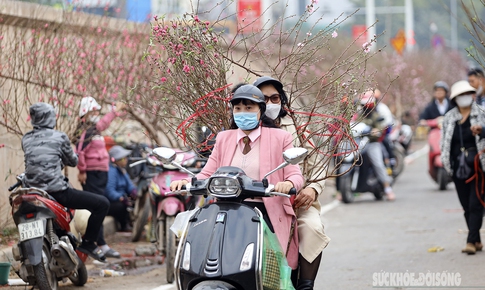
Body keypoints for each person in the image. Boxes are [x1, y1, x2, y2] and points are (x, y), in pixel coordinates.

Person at [170, 84, 304, 272]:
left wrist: (287, 183)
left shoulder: (281, 137)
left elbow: (295, 174)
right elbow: (207, 173)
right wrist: (187, 182)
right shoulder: (224, 138)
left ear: (260, 110)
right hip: (225, 210)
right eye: (238, 108)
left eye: (249, 108)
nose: (243, 113)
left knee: (267, 270)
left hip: (264, 211)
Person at [254, 76, 330, 290]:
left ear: (282, 100)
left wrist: (312, 189)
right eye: (263, 98)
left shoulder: (296, 126)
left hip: (297, 203)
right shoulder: (248, 127)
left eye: (275, 98)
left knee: (312, 228)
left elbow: (318, 162)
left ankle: (305, 286)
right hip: (259, 202)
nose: (269, 103)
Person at [22, 103, 110, 261]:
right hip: (58, 193)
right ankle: (89, 243)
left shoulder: (26, 139)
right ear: (51, 118)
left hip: (32, 193)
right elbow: (73, 160)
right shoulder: (59, 137)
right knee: (102, 204)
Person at [72, 96, 125, 259]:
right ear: (86, 113)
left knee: (100, 206)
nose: (96, 114)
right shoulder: (84, 130)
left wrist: (114, 112)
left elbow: (103, 123)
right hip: (92, 174)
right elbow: (79, 152)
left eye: (97, 111)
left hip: (101, 173)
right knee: (98, 208)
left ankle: (100, 244)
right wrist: (82, 171)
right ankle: (100, 244)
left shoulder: (95, 129)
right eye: (94, 111)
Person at [440, 80, 485, 255]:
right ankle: (477, 239)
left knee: (475, 204)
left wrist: (481, 130)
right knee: (466, 205)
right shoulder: (450, 117)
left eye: (468, 94)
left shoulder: (481, 113)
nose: (465, 98)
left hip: (479, 165)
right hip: (458, 166)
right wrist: (447, 164)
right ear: (455, 98)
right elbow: (445, 143)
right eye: (461, 95)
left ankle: (470, 242)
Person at [358, 93, 396, 200]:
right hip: (358, 143)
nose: (365, 107)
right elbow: (354, 125)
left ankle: (387, 188)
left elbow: (381, 127)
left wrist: (376, 131)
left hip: (372, 143)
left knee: (378, 164)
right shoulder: (359, 116)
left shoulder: (377, 115)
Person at [106, 145, 138, 232]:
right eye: (123, 158)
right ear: (115, 160)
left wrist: (133, 191)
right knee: (121, 207)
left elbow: (129, 185)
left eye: (126, 158)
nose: (126, 160)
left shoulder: (122, 170)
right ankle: (124, 225)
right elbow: (109, 191)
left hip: (123, 197)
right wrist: (120, 198)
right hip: (113, 202)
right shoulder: (111, 171)